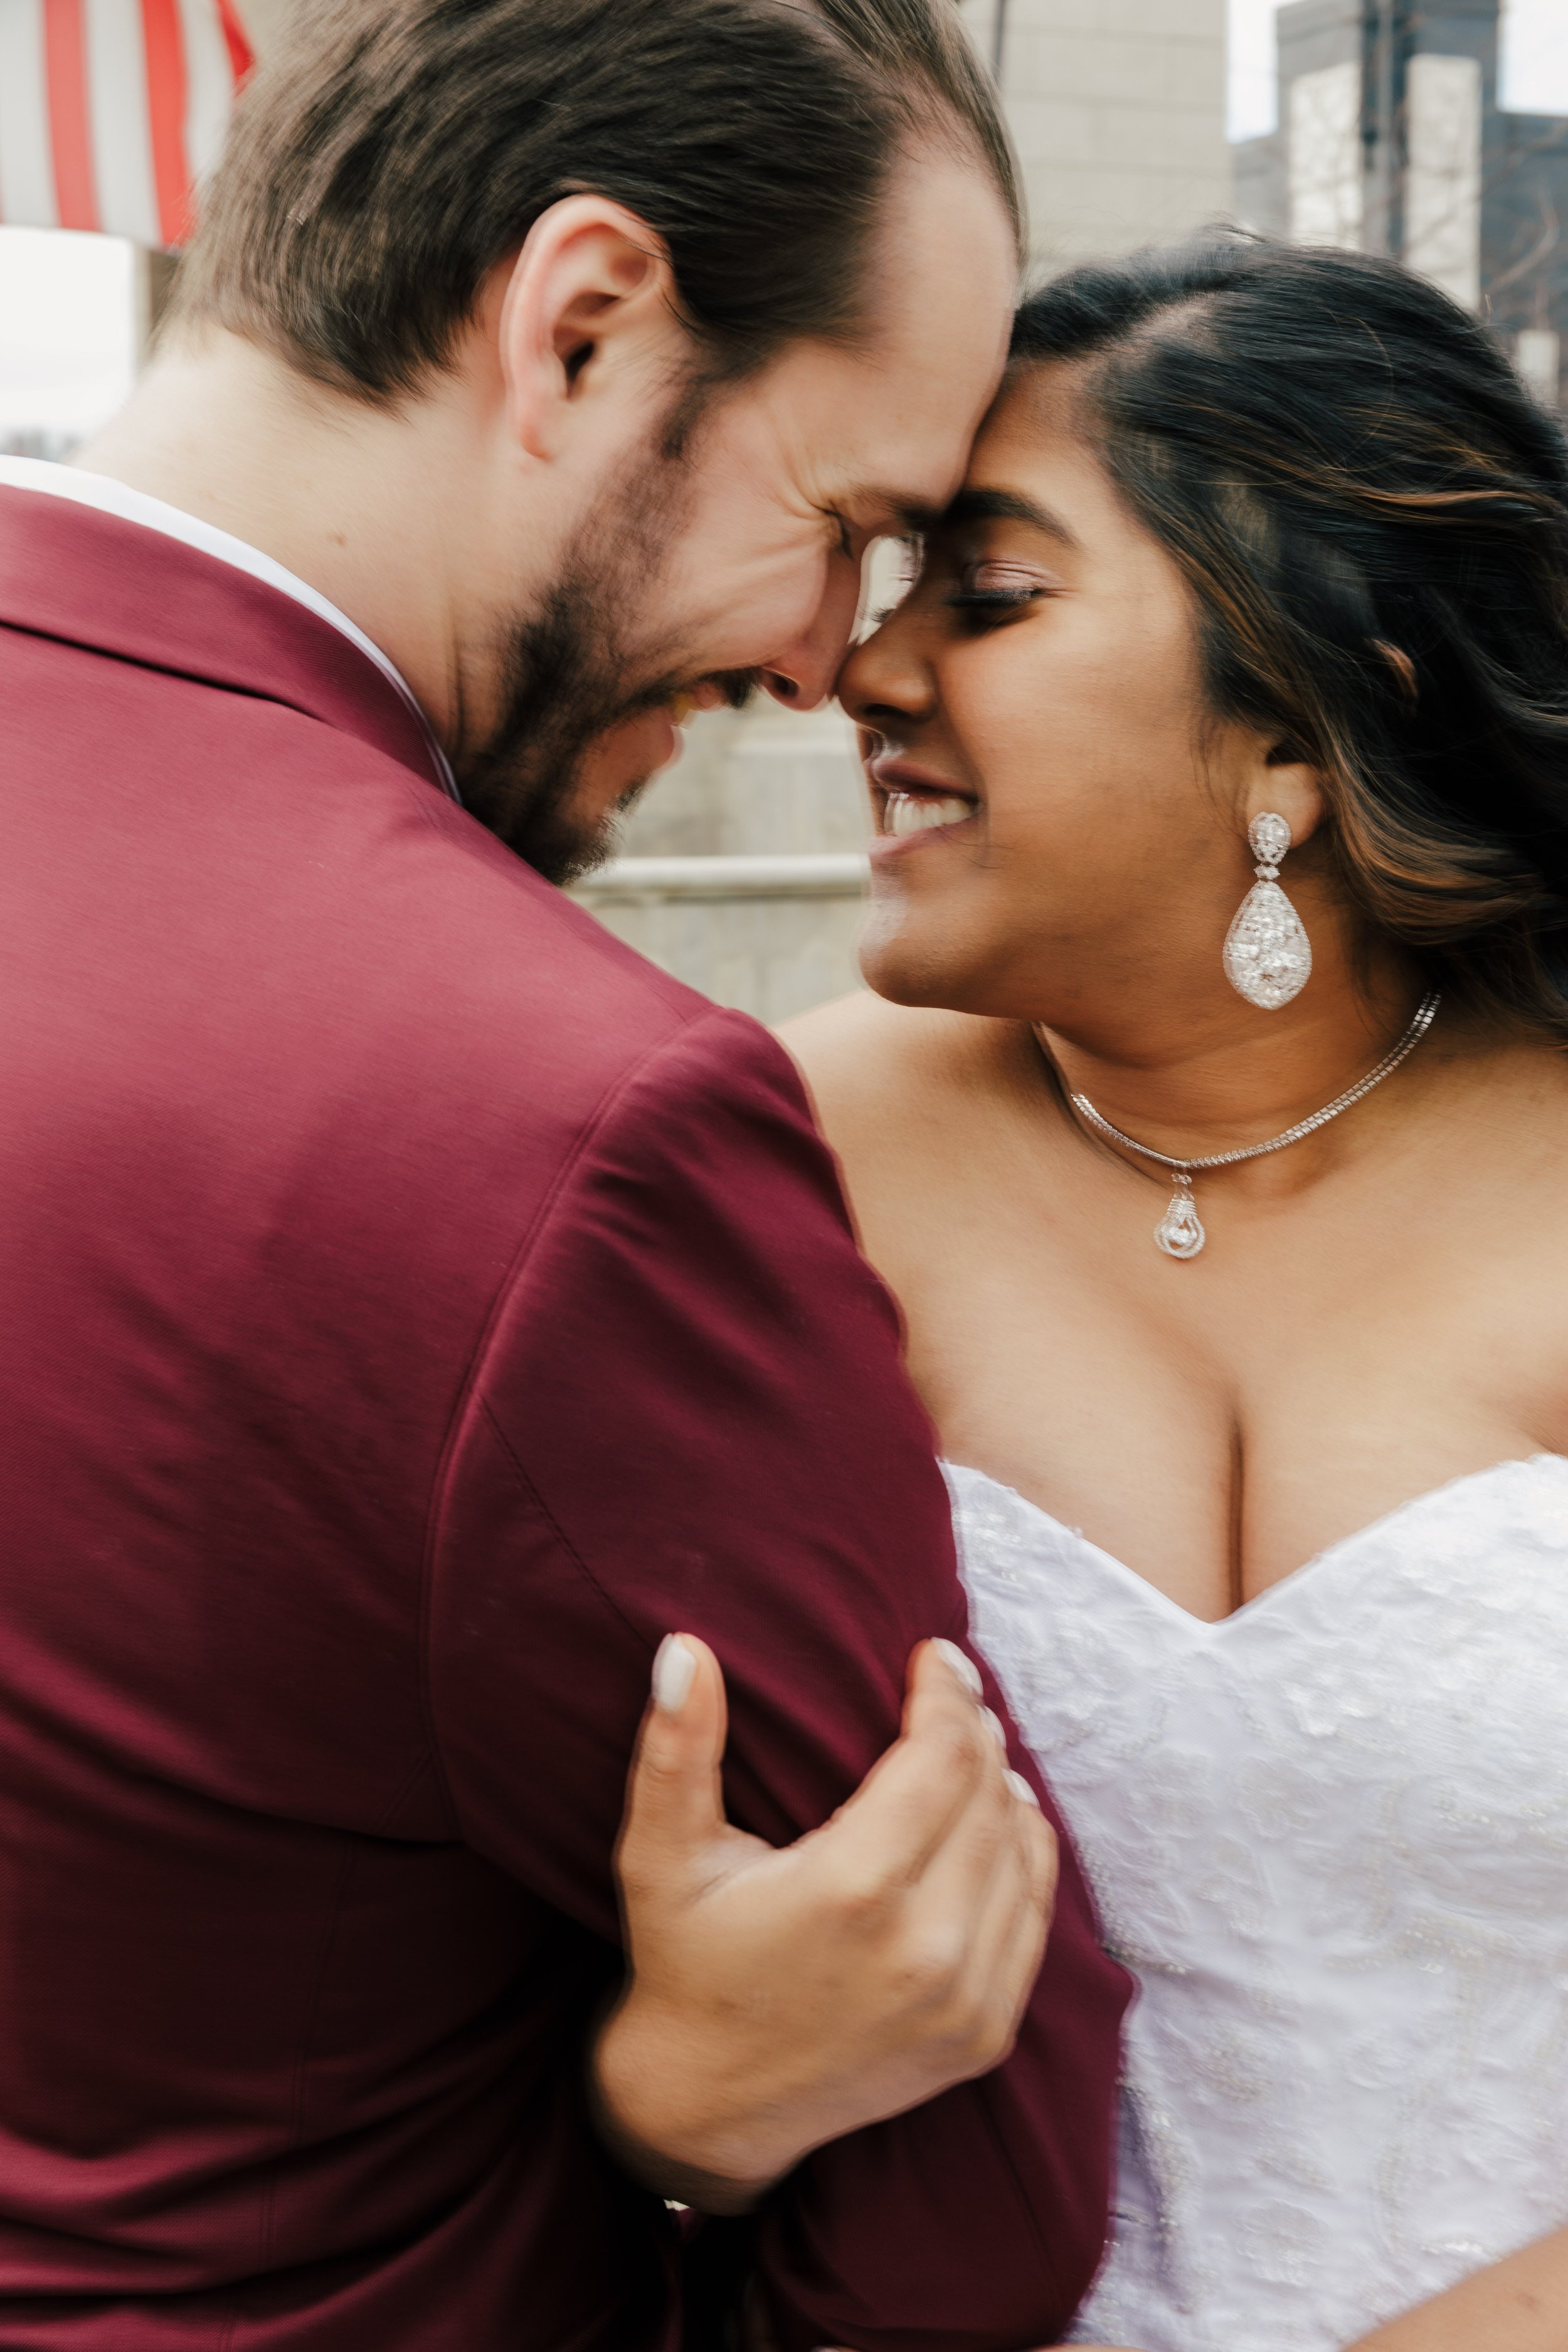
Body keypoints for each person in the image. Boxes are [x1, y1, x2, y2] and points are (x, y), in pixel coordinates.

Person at [0, 4, 1133, 2348]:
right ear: (581, 322)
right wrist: (660, 2109)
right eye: (851, 529)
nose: (837, 665)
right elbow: (972, 2203)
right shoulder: (563, 1119)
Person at [786, 233, 1568, 2352]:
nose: (865, 675)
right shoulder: (790, 1158)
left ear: (1308, 726)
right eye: (886, 588)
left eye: (992, 591)